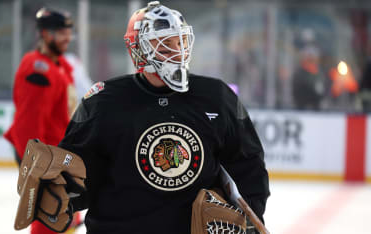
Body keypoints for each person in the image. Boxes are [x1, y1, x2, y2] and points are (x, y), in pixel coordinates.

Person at [58, 1, 269, 233]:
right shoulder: (102, 101)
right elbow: (80, 175)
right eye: (166, 45)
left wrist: (250, 215)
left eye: (181, 41)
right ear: (139, 49)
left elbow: (248, 164)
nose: (178, 51)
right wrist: (59, 192)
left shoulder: (217, 96)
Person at [4, 7, 77, 234]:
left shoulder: (60, 65)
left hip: (59, 154)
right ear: (45, 34)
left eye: (69, 32)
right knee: (50, 217)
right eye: (61, 32)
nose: (67, 37)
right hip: (44, 158)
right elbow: (29, 125)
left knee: (63, 216)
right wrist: (40, 169)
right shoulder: (38, 70)